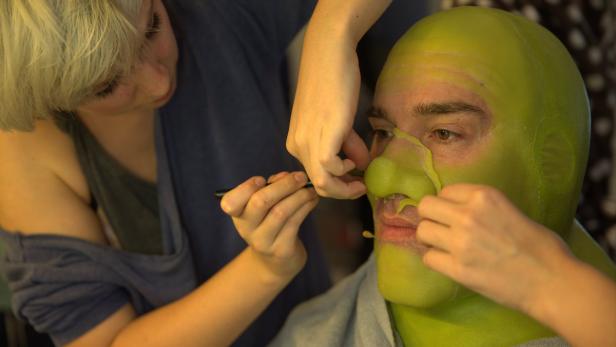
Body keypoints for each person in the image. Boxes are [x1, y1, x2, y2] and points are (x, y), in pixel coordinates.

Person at [0, 0, 393, 346]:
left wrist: (331, 36)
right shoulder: (25, 155)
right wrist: (265, 267)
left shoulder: (210, 14)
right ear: (51, 101)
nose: (158, 82)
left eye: (152, 27)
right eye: (106, 85)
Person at [272, 6, 616, 347]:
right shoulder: (311, 334)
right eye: (383, 132)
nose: (379, 177)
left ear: (553, 167)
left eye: (444, 134)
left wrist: (548, 286)